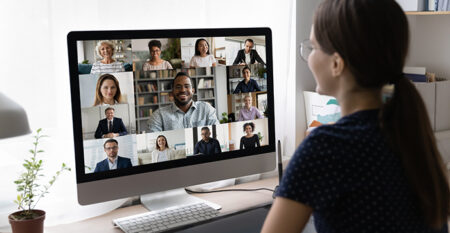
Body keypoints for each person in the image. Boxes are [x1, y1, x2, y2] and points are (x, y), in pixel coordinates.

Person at [262, 0, 450, 232]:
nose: (308, 58)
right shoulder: (413, 136)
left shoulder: (325, 147)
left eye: (312, 47)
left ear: (336, 63)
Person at [148, 72, 219, 132]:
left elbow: (217, 134)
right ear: (172, 92)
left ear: (193, 91)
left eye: (187, 86)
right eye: (178, 87)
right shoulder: (159, 116)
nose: (182, 90)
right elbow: (155, 144)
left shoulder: (206, 109)